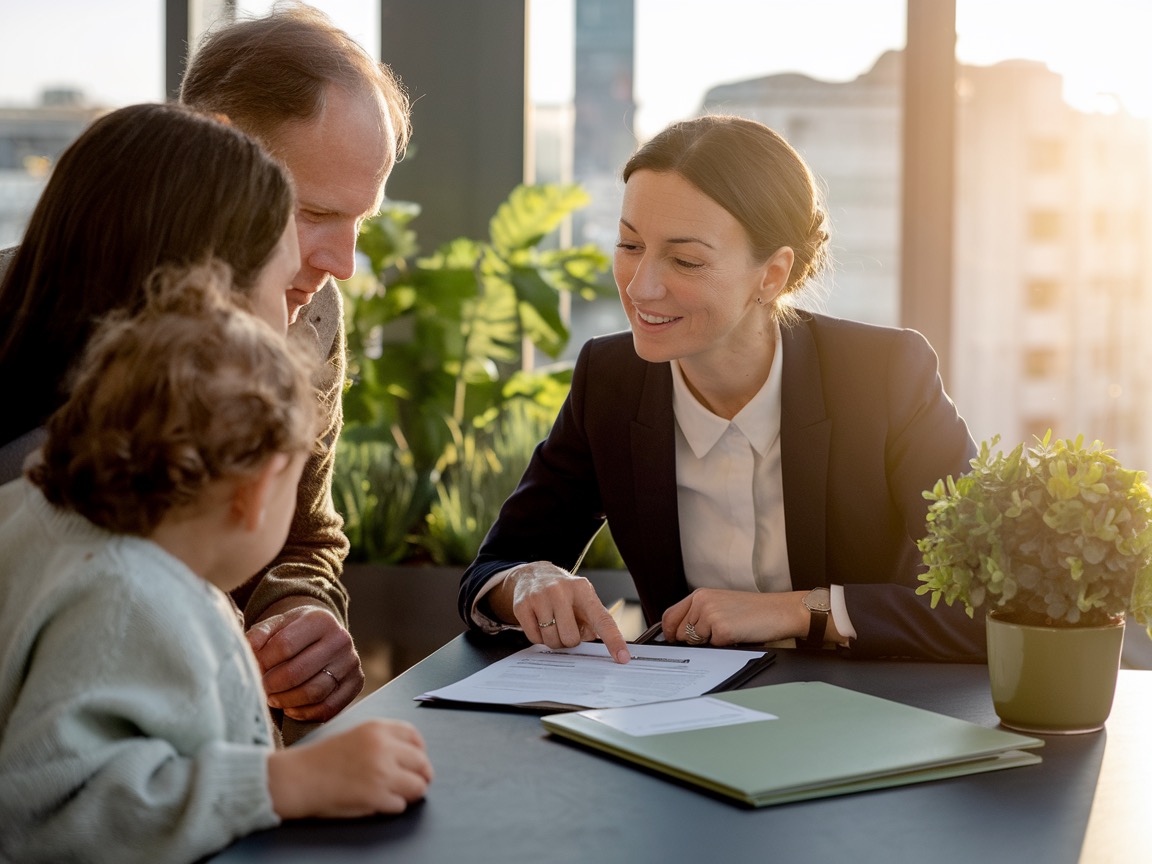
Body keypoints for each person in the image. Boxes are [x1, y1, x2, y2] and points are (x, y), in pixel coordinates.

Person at [459, 115, 986, 663]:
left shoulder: (883, 376)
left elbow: (994, 597)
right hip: (679, 724)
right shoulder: (610, 380)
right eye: (629, 245)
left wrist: (800, 611)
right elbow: (494, 570)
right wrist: (524, 583)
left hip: (865, 718)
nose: (641, 287)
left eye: (685, 260)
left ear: (772, 274)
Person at [0, 263, 433, 864]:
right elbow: (45, 815)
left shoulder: (38, 520)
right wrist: (286, 782)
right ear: (256, 492)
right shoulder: (126, 600)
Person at [178, 3, 412, 734]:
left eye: (359, 222)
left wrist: (300, 612)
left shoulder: (312, 309)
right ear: (215, 150)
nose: (341, 263)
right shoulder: (24, 313)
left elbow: (306, 533)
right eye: (313, 213)